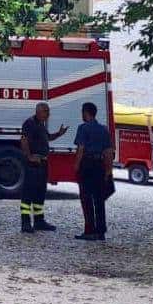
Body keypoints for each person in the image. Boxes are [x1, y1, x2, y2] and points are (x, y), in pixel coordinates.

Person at [19, 103, 68, 233]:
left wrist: (59, 133)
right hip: (33, 164)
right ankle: (25, 223)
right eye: (46, 111)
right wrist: (29, 157)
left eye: (48, 111)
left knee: (40, 192)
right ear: (38, 111)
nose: (48, 114)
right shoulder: (29, 123)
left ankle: (39, 221)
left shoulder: (41, 124)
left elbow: (48, 137)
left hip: (42, 163)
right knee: (28, 193)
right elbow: (24, 140)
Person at [73, 101, 114, 241]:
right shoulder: (104, 130)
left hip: (87, 165)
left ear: (86, 113)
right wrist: (108, 170)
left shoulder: (83, 128)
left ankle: (89, 230)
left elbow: (81, 149)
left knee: (86, 199)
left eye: (82, 112)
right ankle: (101, 231)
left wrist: (77, 166)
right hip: (99, 166)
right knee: (99, 199)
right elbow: (108, 152)